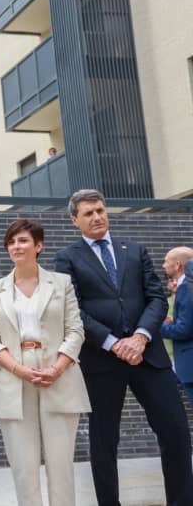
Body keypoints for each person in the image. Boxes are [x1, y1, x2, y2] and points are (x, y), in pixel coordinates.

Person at [54, 189, 193, 506]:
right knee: (104, 442)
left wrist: (141, 336)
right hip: (102, 360)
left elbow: (157, 298)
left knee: (175, 431)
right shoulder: (67, 258)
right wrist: (114, 343)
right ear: (74, 220)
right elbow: (72, 307)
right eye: (88, 213)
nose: (97, 217)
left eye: (100, 210)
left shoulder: (135, 249)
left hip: (148, 356)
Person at [0, 219, 90, 506]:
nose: (16, 246)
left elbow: (76, 330)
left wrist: (56, 368)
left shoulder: (61, 283)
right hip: (13, 376)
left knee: (61, 464)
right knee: (23, 467)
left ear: (38, 246)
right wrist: (19, 369)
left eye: (23, 240)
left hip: (59, 373)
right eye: (11, 242)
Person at [160, 247, 193, 404]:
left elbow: (184, 330)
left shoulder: (186, 287)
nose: (163, 266)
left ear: (178, 265)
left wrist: (157, 327)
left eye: (166, 261)